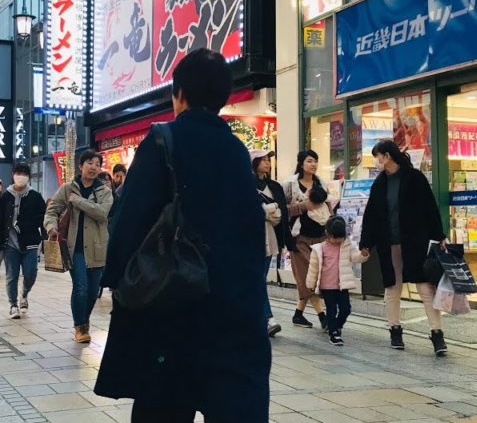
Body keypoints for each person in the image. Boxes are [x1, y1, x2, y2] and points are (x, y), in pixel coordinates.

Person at [95, 49, 271, 423]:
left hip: (173, 309)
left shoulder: (162, 141)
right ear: (223, 97)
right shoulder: (238, 152)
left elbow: (129, 220)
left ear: (179, 95)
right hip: (236, 313)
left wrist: (114, 282)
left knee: (163, 408)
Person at [359, 139, 449, 355]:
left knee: (425, 288)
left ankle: (437, 334)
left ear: (387, 156)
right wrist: (366, 243)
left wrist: (439, 235)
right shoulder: (379, 184)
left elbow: (430, 207)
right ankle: (395, 330)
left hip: (414, 241)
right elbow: (371, 215)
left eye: (377, 157)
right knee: (393, 287)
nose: (377, 162)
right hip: (388, 243)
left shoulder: (414, 178)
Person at [45, 150, 113, 343]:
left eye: (97, 164)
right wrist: (51, 227)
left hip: (97, 247)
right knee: (81, 287)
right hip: (74, 247)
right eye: (89, 163)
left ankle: (85, 321)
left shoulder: (105, 191)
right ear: (81, 166)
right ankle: (79, 327)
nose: (93, 167)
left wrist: (78, 201)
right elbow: (52, 210)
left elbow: (101, 213)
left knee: (93, 291)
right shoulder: (67, 188)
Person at [284, 150, 334, 330]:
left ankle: (298, 314)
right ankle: (323, 317)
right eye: (310, 161)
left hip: (321, 237)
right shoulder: (290, 184)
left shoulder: (320, 182)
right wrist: (304, 206)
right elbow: (285, 211)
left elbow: (328, 207)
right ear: (301, 163)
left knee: (316, 277)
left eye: (316, 161)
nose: (313, 164)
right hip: (299, 238)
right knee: (308, 278)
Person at [0, 164, 46, 319]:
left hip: (30, 242)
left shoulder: (35, 196)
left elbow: (41, 218)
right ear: (13, 175)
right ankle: (13, 305)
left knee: (30, 273)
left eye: (24, 173)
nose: (20, 176)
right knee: (11, 275)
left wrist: (25, 226)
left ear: (28, 176)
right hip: (10, 243)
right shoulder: (5, 196)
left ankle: (24, 294)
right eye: (18, 173)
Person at [306, 216, 369, 346]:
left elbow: (355, 258)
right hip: (327, 285)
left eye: (341, 237)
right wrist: (311, 284)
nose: (338, 240)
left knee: (346, 309)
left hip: (342, 284)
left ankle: (337, 326)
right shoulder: (320, 248)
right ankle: (333, 333)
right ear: (327, 234)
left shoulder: (347, 246)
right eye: (335, 237)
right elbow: (313, 268)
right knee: (331, 309)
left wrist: (363, 255)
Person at [251, 148, 288, 337]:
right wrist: (268, 210)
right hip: (253, 238)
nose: (267, 163)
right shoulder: (246, 184)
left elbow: (283, 212)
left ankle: (257, 317)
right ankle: (268, 318)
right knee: (258, 279)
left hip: (271, 237)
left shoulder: (274, 186)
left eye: (268, 160)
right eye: (263, 159)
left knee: (259, 278)